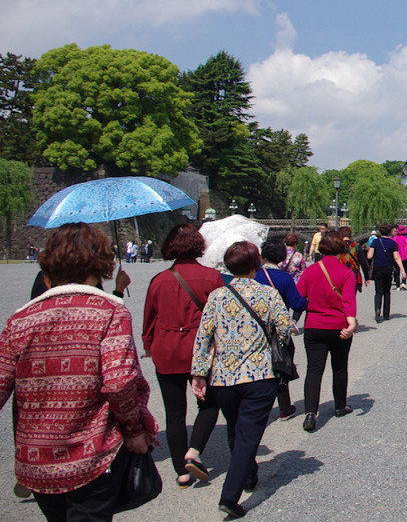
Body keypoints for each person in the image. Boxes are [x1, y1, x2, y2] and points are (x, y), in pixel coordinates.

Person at [0, 223, 158, 521]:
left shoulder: (19, 320)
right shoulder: (109, 312)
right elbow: (118, 382)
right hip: (92, 456)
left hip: (37, 461)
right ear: (100, 265)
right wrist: (135, 430)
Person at [191, 241, 293, 519]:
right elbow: (285, 330)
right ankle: (230, 495)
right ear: (256, 264)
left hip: (223, 375)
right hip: (258, 374)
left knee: (236, 428)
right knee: (248, 435)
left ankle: (248, 475)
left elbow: (203, 337)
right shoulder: (268, 295)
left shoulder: (217, 296)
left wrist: (199, 373)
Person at [143, 222, 224, 489]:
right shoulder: (212, 277)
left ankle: (181, 471)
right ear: (198, 246)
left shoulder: (160, 280)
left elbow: (149, 320)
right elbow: (219, 318)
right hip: (200, 349)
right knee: (209, 403)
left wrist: (148, 345)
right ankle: (195, 450)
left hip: (166, 349)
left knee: (174, 412)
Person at [296, 231, 359, 431]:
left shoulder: (311, 271)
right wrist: (351, 324)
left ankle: (310, 413)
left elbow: (298, 298)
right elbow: (348, 301)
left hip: (314, 325)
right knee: (339, 367)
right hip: (339, 325)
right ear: (341, 249)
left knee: (314, 370)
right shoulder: (346, 272)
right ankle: (340, 405)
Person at [254, 239, 308, 421]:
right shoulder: (284, 279)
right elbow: (297, 303)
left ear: (263, 256)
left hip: (254, 328)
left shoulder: (253, 276)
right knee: (281, 363)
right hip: (276, 329)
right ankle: (284, 407)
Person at [368, 223, 407, 321]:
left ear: (379, 232)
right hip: (388, 268)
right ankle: (386, 314)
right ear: (389, 232)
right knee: (387, 292)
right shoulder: (392, 243)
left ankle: (377, 309)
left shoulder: (375, 242)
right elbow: (396, 257)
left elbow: (369, 256)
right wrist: (402, 270)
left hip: (378, 268)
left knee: (378, 291)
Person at [391, 225, 407, 290]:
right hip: (404, 256)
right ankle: (403, 282)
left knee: (396, 270)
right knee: (405, 270)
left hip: (395, 257)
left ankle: (397, 285)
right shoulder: (406, 239)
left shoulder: (393, 238)